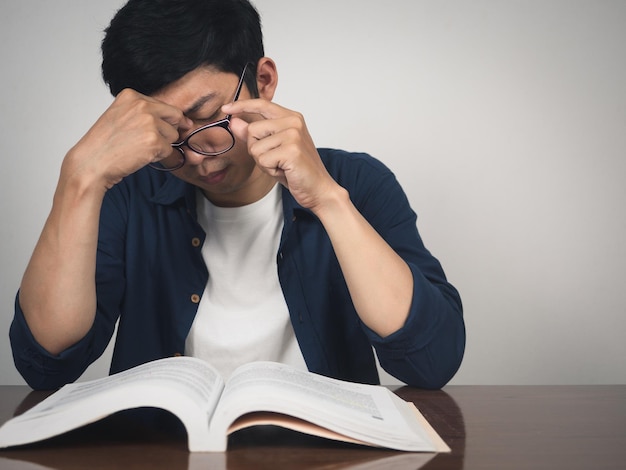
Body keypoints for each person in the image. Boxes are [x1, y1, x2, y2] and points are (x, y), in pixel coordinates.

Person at [10, 0, 465, 391]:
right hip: (168, 452)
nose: (197, 158)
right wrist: (80, 178)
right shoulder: (128, 197)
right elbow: (47, 364)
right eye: (168, 137)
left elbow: (430, 362)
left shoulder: (357, 181)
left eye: (209, 121)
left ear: (263, 81)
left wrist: (327, 199)